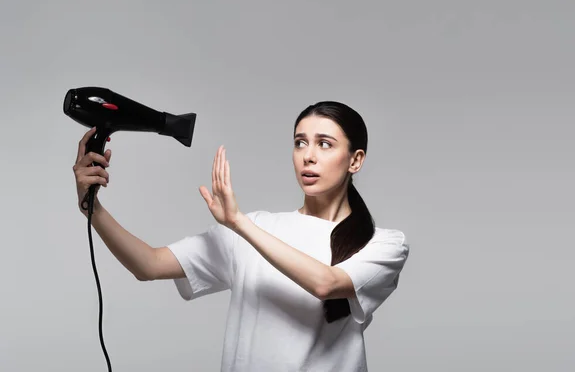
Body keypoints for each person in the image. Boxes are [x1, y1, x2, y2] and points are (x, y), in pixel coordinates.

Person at [73, 101, 410, 371]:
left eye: (325, 144)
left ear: (355, 160)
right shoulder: (253, 228)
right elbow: (148, 265)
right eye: (300, 143)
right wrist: (94, 210)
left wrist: (239, 223)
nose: (308, 155)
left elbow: (326, 283)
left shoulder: (384, 244)